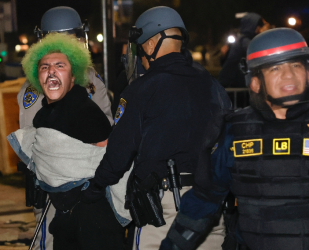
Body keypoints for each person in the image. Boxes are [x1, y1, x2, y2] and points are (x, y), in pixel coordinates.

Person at [160, 28, 309, 250]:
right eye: (275, 67)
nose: (288, 75)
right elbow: (203, 200)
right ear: (255, 81)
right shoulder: (234, 132)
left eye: (296, 65)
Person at [82, 6, 231, 250]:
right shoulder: (213, 85)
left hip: (165, 207)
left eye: (141, 49)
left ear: (150, 45)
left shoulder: (142, 89)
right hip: (210, 204)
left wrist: (96, 187)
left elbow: (120, 151)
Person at [12, 32, 123, 250]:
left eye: (59, 66)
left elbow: (107, 160)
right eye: (44, 67)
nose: (51, 71)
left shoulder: (87, 113)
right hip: (63, 218)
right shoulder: (43, 115)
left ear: (74, 76)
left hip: (94, 222)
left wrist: (91, 191)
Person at [219, 13, 270, 88]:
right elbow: (260, 55)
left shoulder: (244, 40)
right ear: (256, 28)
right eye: (262, 26)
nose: (265, 28)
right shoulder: (244, 41)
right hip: (233, 83)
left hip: (234, 83)